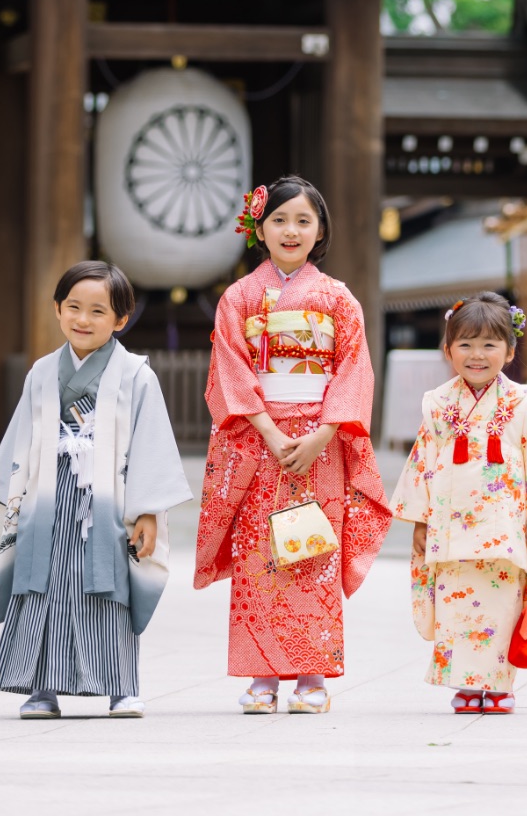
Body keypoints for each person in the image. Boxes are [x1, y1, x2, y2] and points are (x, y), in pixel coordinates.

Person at [194, 176, 391, 714]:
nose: (291, 230)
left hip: (320, 443)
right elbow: (230, 370)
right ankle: (261, 677)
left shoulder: (337, 298)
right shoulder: (238, 297)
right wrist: (273, 432)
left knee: (312, 554)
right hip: (264, 440)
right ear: (259, 228)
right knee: (260, 555)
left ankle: (312, 676)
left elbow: (354, 370)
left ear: (320, 230)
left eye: (303, 220)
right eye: (279, 219)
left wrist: (323, 432)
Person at [0, 260, 191, 719]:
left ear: (121, 319)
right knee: (41, 582)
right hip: (49, 495)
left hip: (109, 499)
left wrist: (146, 510)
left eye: (98, 311)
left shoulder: (137, 375)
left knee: (110, 583)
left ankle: (122, 686)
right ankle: (40, 687)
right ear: (58, 310)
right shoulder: (42, 373)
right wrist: (16, 499)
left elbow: (151, 442)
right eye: (74, 307)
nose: (83, 320)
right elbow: (21, 437)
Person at [391, 291, 527, 714]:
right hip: (450, 526)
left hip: (505, 527)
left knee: (503, 605)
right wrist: (419, 518)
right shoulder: (438, 404)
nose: (477, 354)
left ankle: (499, 685)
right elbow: (423, 460)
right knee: (457, 605)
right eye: (465, 344)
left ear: (509, 350)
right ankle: (466, 684)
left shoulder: (524, 403)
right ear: (447, 349)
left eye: (489, 344)